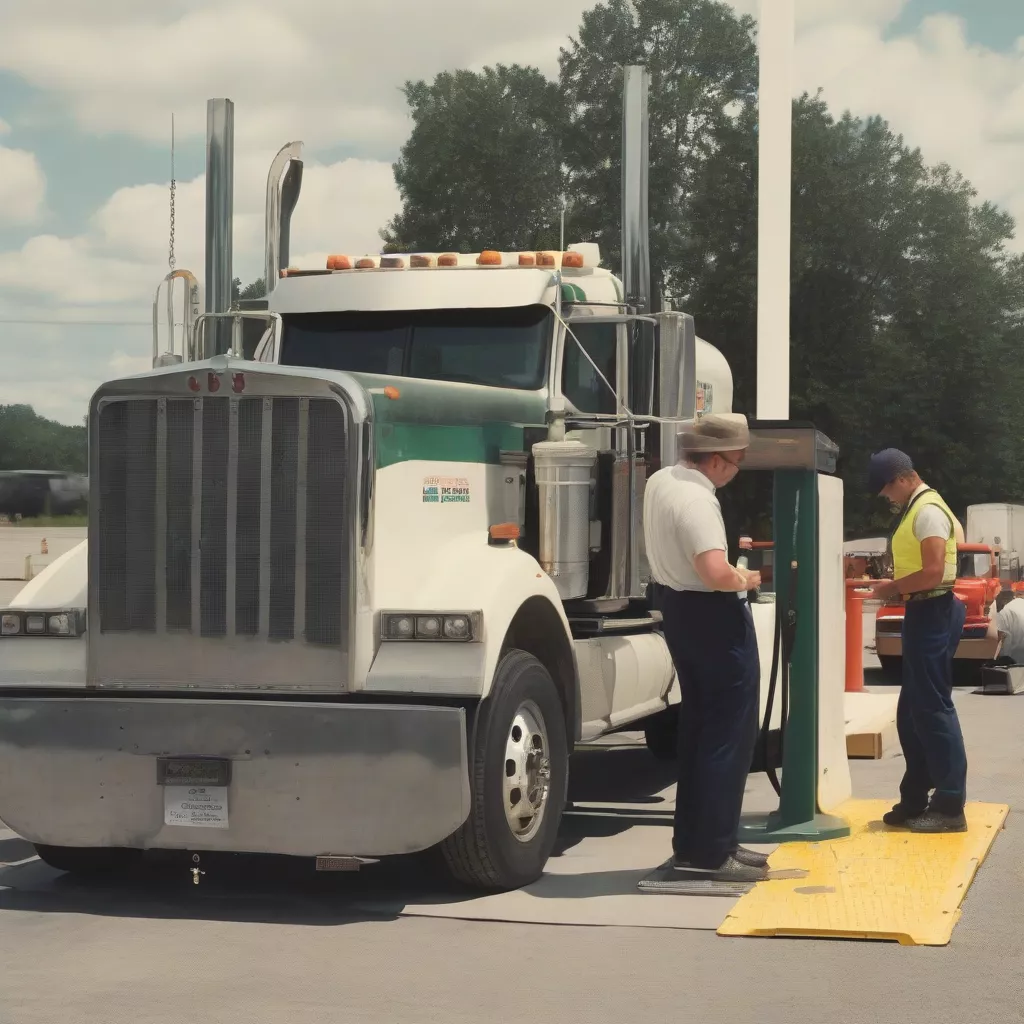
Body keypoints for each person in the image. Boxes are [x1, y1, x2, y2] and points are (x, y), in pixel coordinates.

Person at [643, 413, 768, 883]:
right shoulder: (697, 500)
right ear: (715, 460)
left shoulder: (661, 481)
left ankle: (699, 844)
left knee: (699, 730)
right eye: (735, 462)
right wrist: (744, 578)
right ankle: (713, 853)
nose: (735, 471)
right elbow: (715, 572)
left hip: (678, 609)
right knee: (727, 732)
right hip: (712, 615)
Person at [867, 448, 969, 833]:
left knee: (933, 708)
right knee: (913, 711)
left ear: (902, 478)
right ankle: (915, 797)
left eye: (887, 490)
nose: (887, 497)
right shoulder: (918, 508)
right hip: (924, 610)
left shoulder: (927, 511)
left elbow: (933, 571)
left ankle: (949, 805)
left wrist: (891, 587)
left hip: (933, 610)